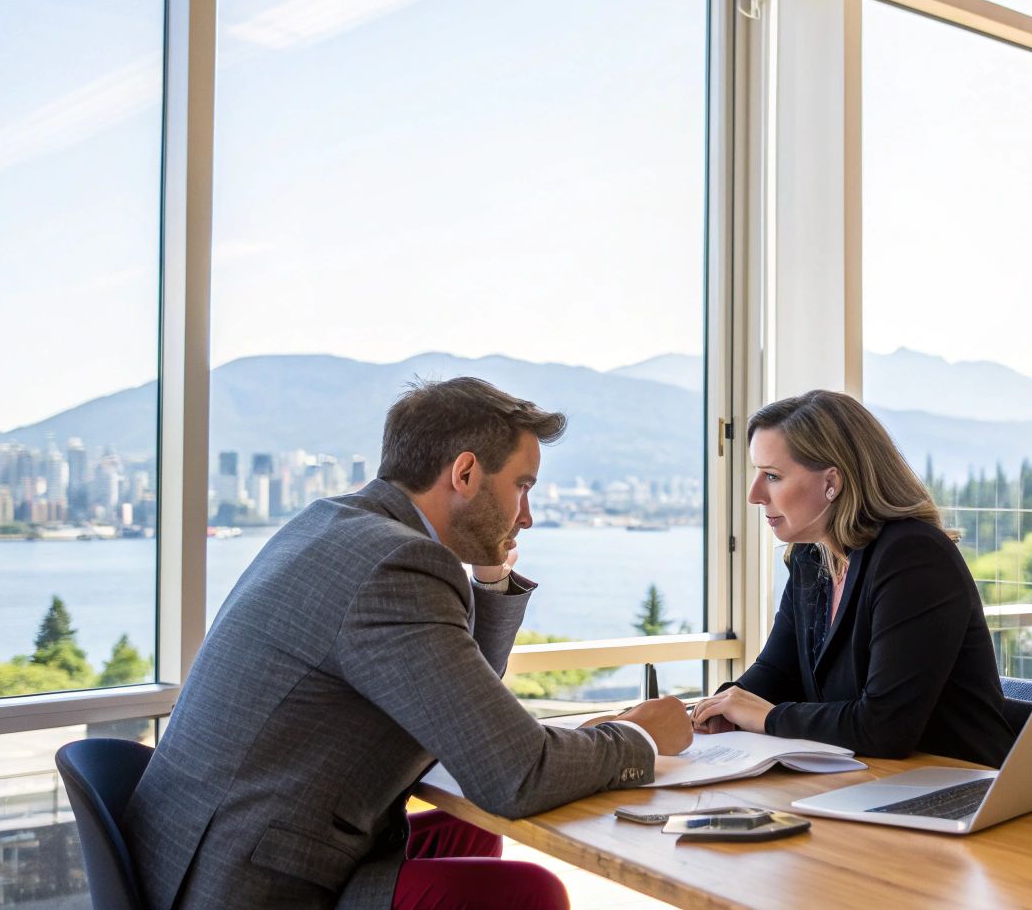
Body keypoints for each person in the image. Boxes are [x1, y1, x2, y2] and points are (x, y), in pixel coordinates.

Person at [124, 377, 693, 910]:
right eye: (521, 487)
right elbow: (516, 776)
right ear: (465, 473)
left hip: (206, 850)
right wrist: (642, 736)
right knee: (528, 893)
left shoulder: (337, 524)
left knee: (469, 826)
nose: (527, 515)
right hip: (247, 884)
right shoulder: (397, 564)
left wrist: (492, 573)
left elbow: (467, 711)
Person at [690, 390, 1016, 768]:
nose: (754, 495)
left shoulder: (913, 557)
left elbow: (884, 727)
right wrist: (714, 709)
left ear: (832, 481)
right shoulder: (811, 558)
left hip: (963, 787)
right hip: (873, 783)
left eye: (773, 476)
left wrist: (765, 717)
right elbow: (776, 672)